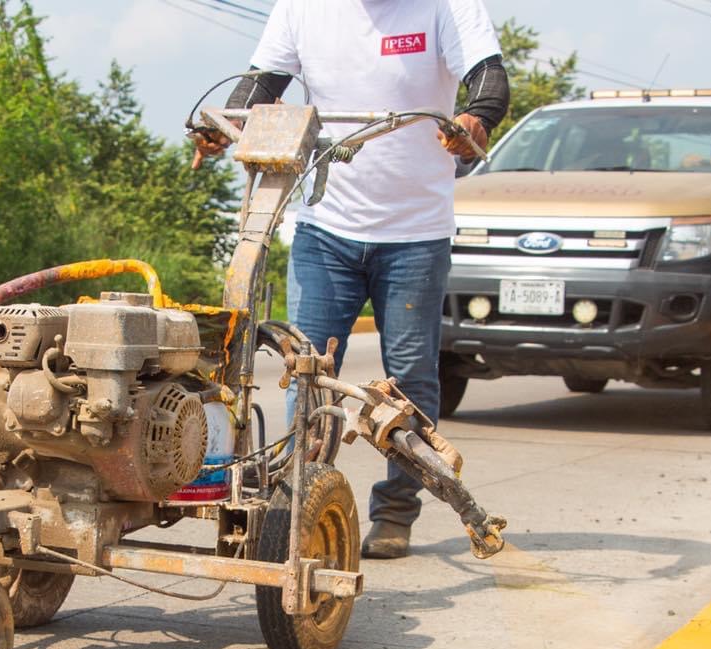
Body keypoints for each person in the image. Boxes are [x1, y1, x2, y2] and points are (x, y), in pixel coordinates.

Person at [192, 0, 510, 559]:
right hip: (324, 226)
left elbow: (489, 77)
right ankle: (300, 506)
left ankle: (395, 511)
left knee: (410, 376)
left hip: (415, 231)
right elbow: (260, 86)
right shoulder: (302, 8)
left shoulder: (445, 6)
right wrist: (225, 125)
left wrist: (474, 119)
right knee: (307, 369)